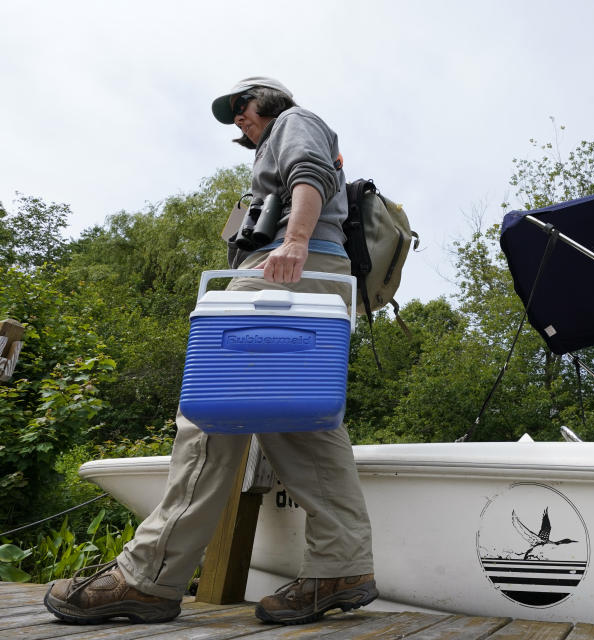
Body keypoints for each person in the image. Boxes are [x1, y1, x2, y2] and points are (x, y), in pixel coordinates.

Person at [44, 77, 377, 626]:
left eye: (242, 107)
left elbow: (310, 174)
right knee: (301, 422)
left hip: (285, 270)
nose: (238, 119)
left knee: (213, 408)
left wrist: (292, 241)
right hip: (313, 275)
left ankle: (148, 578)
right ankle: (340, 566)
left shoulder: (296, 121)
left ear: (269, 100)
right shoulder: (276, 142)